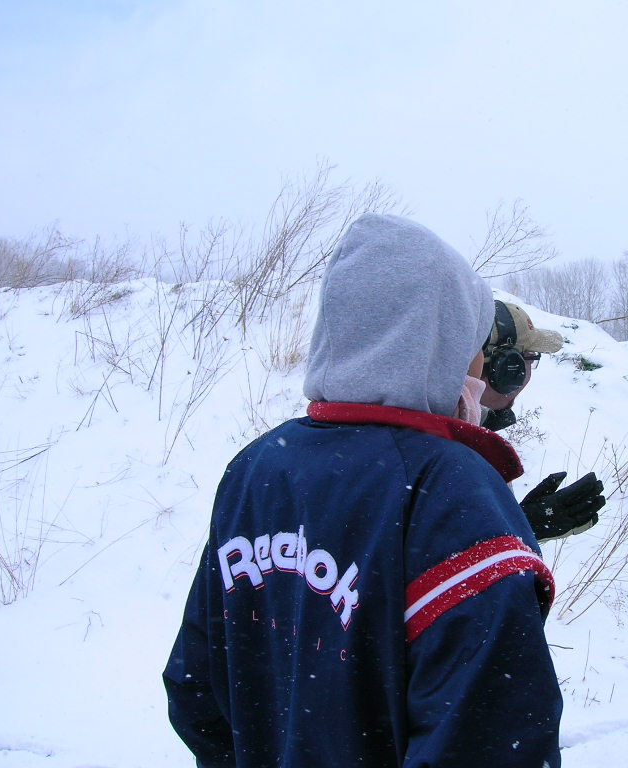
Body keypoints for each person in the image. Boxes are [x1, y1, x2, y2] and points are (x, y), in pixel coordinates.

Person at [163, 215, 563, 767]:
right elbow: (489, 743)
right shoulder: (452, 487)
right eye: (471, 343)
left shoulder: (255, 468)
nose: (474, 366)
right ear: (439, 339)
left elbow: (196, 690)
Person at [480, 298, 605, 541]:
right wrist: (520, 530)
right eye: (529, 357)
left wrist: (519, 522)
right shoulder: (456, 447)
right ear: (507, 366)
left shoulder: (457, 428)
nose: (528, 373)